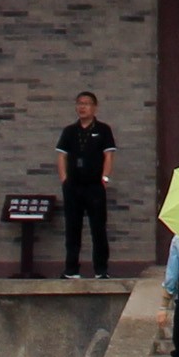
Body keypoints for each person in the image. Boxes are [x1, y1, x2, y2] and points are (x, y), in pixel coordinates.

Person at [54, 92, 118, 278]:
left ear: (94, 107)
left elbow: (109, 155)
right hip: (73, 186)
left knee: (98, 228)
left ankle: (101, 270)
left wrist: (105, 178)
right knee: (72, 228)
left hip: (94, 187)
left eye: (87, 104)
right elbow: (61, 155)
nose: (82, 107)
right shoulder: (69, 131)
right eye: (79, 103)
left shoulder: (103, 130)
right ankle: (71, 270)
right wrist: (64, 179)